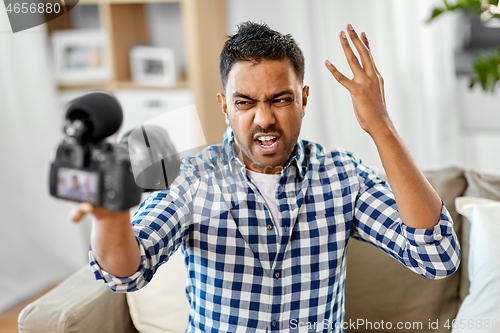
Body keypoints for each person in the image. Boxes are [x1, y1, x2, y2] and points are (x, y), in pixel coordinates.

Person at [73, 22, 460, 332]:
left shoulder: (342, 176)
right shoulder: (191, 178)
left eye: (280, 99)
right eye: (245, 102)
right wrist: (111, 217)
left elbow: (437, 257)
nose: (264, 119)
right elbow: (125, 274)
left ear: (303, 99)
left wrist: (381, 127)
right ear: (225, 107)